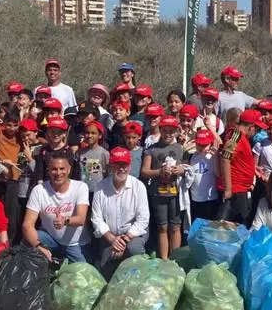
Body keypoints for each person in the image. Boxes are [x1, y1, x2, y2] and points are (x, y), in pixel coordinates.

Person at [90, 147, 150, 279]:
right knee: (106, 270)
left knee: (134, 249)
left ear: (130, 166)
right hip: (110, 236)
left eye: (125, 165)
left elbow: (143, 219)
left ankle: (139, 278)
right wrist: (112, 239)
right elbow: (97, 219)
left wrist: (124, 239)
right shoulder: (100, 187)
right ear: (111, 166)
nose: (122, 168)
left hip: (133, 235)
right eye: (118, 165)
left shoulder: (139, 186)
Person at [23, 152, 92, 263]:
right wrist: (39, 247)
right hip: (50, 239)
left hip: (74, 243)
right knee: (28, 240)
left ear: (69, 169)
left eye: (62, 168)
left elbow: (81, 219)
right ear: (48, 171)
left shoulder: (80, 187)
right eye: (54, 169)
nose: (58, 173)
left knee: (85, 274)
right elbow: (27, 224)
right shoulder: (39, 190)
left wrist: (65, 220)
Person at [142, 115, 185, 259]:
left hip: (176, 194)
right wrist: (159, 172)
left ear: (176, 132)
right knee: (162, 227)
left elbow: (186, 168)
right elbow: (144, 171)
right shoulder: (151, 149)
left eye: (171, 131)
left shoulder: (179, 148)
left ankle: (175, 260)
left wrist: (181, 170)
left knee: (175, 226)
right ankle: (164, 260)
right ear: (160, 130)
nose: (168, 134)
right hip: (158, 194)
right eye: (165, 131)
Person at [217, 110, 267, 226]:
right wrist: (228, 189)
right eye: (257, 129)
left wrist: (253, 168)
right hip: (235, 190)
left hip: (241, 189)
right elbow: (225, 158)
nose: (257, 133)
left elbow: (238, 159)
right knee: (227, 226)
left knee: (238, 224)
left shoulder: (241, 137)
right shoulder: (236, 136)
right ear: (251, 127)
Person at [0, 109, 24, 243]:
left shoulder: (20, 137)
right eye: (9, 124)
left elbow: (36, 138)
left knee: (12, 219)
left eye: (15, 125)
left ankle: (8, 247)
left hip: (13, 180)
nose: (12, 128)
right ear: (4, 123)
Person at [33, 117, 81, 184]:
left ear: (64, 134)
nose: (56, 134)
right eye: (53, 131)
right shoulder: (44, 151)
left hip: (63, 186)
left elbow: (71, 173)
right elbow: (40, 171)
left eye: (59, 132)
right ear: (48, 132)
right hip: (47, 186)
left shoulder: (68, 151)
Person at [188, 129, 220, 221]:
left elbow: (218, 174)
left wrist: (215, 156)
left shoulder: (213, 157)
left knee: (209, 227)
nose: (201, 147)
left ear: (211, 144)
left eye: (205, 145)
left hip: (210, 199)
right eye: (199, 144)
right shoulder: (192, 157)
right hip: (195, 199)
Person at [78, 120, 109, 191]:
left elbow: (106, 173)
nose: (89, 136)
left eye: (93, 133)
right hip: (82, 191)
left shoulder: (103, 153)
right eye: (87, 133)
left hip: (97, 190)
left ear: (100, 135)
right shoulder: (79, 152)